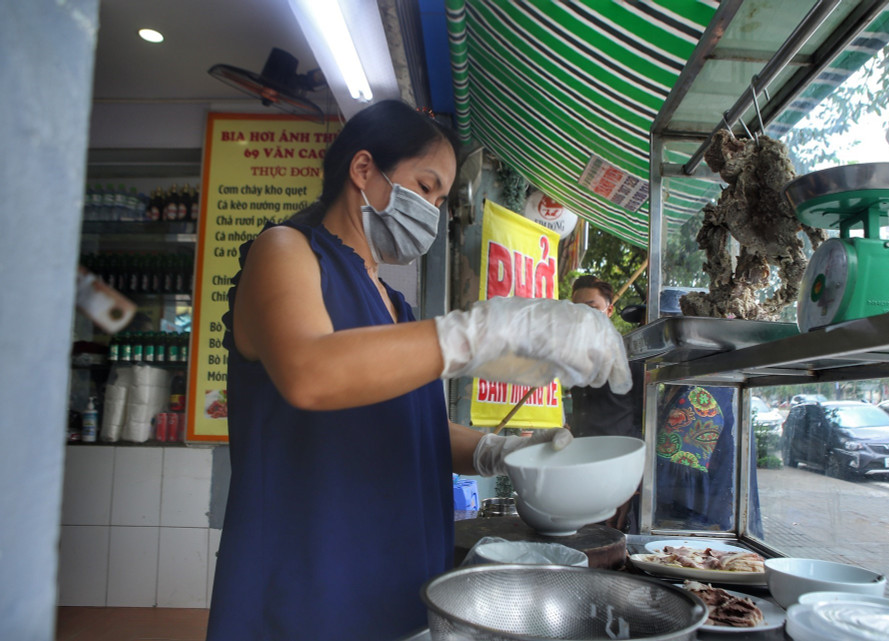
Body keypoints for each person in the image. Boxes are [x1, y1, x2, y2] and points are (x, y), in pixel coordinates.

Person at [204, 100, 631, 641]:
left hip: (398, 573)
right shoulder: (285, 252)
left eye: (442, 198)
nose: (433, 209)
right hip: (307, 573)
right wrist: (480, 331)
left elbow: (410, 424)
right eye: (426, 187)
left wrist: (496, 452)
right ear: (363, 170)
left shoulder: (398, 310)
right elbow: (309, 372)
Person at [567, 275, 643, 533]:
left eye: (593, 308)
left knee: (611, 541)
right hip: (582, 468)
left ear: (609, 310)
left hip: (618, 469)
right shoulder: (576, 357)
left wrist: (632, 483)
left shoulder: (631, 356)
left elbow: (644, 419)